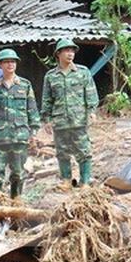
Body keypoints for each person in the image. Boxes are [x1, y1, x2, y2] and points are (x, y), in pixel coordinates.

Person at [0, 48, 40, 199]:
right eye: (6, 62)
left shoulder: (25, 85)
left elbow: (32, 109)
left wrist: (34, 132)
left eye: (13, 61)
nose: (10, 64)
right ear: (0, 64)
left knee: (18, 174)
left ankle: (15, 205)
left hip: (19, 137)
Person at [41, 38, 99, 189]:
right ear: (58, 54)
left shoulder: (83, 72)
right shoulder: (51, 76)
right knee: (62, 152)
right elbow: (47, 99)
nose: (70, 54)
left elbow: (91, 93)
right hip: (60, 120)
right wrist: (46, 119)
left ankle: (85, 181)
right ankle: (66, 180)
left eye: (72, 50)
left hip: (79, 119)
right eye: (66, 50)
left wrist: (92, 111)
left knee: (84, 151)